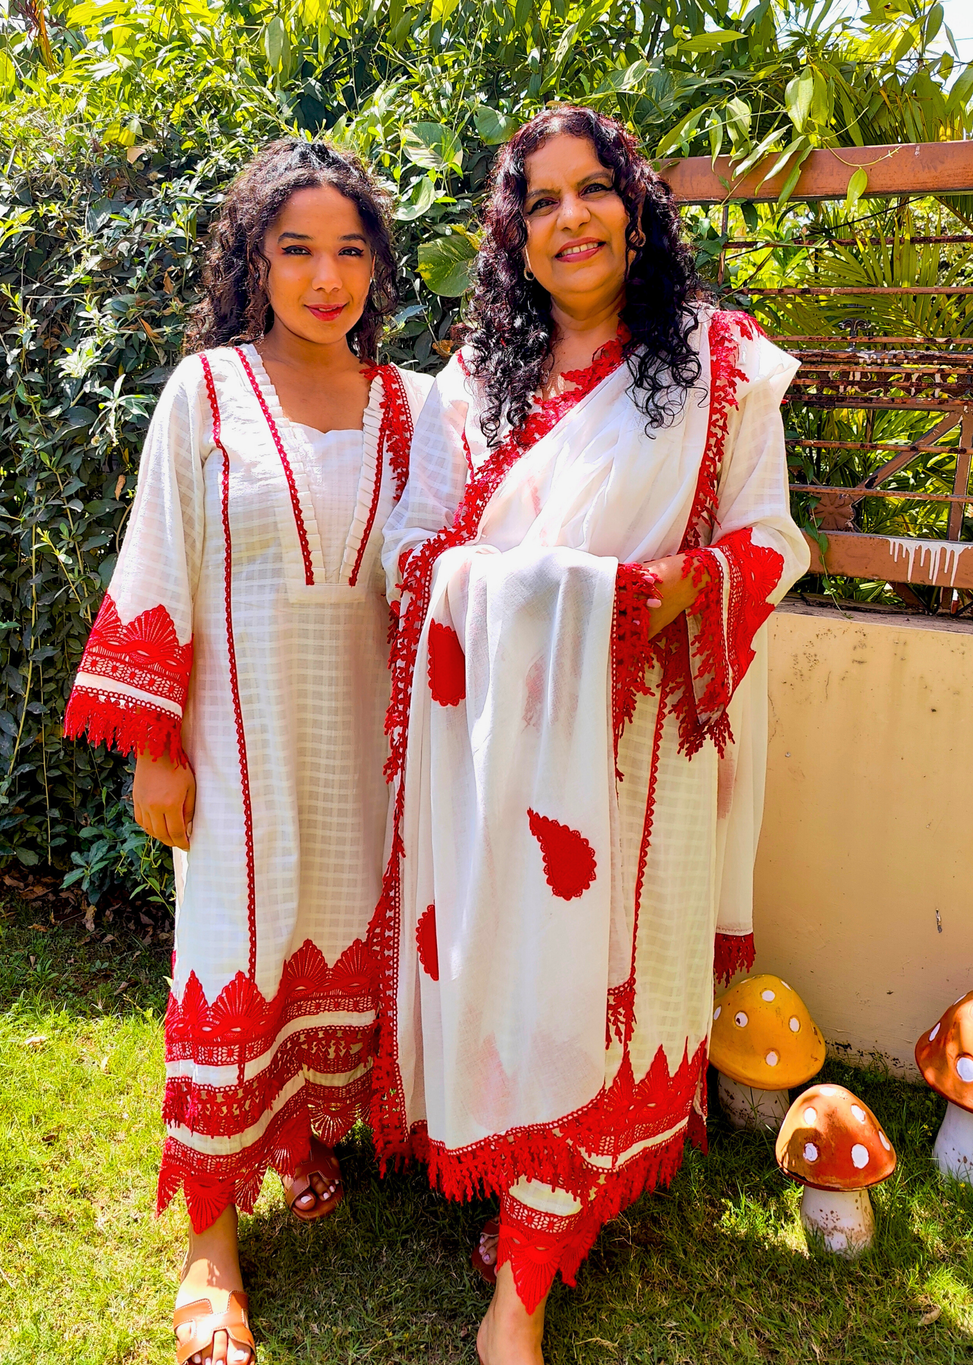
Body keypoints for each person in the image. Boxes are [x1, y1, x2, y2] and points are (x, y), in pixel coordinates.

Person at [371, 106, 810, 1364]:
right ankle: (509, 1168)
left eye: (592, 190)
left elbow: (774, 541)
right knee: (511, 960)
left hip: (640, 743)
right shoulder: (470, 385)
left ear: (634, 205)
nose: (571, 218)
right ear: (512, 235)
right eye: (541, 201)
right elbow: (412, 551)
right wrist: (527, 597)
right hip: (493, 745)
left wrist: (668, 596)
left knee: (599, 981)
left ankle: (526, 1273)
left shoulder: (720, 365)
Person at [64, 138, 431, 1365]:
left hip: (367, 752)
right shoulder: (206, 393)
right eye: (296, 251)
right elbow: (160, 562)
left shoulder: (411, 406)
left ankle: (313, 1136)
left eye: (348, 251)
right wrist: (152, 747)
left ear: (375, 265)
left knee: (345, 941)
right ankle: (210, 1243)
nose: (325, 278)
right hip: (236, 747)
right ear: (254, 261)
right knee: (230, 952)